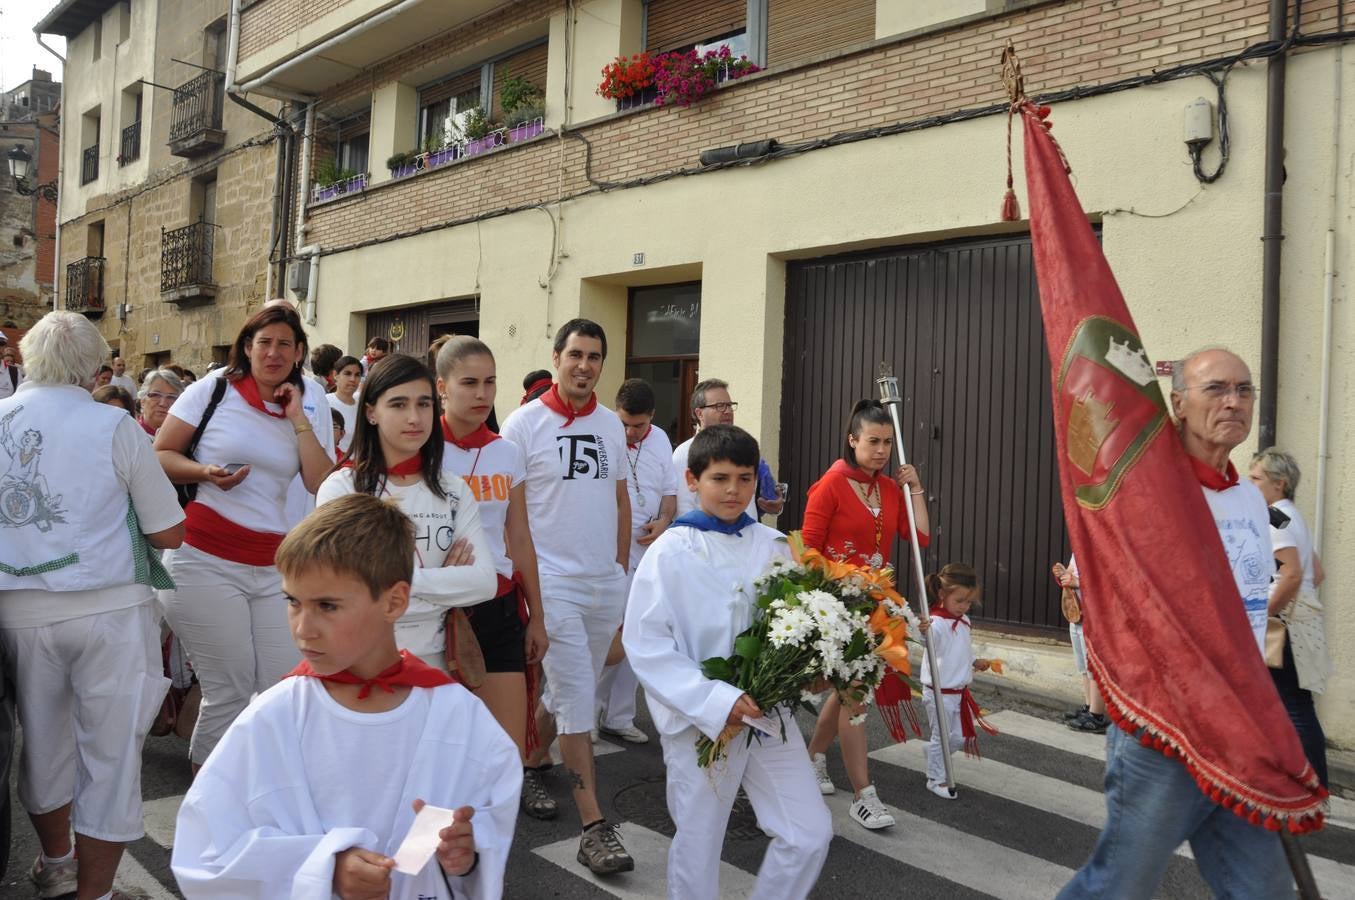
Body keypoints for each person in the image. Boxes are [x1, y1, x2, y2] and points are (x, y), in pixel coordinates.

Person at [171, 493, 521, 898]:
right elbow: (207, 849)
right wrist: (325, 867)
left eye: (327, 606)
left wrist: (468, 855)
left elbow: (485, 820)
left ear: (394, 601)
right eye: (292, 602)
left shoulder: (456, 717)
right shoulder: (273, 716)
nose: (304, 628)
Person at [1058, 347, 1290, 899]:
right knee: (1119, 886)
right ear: (1178, 403)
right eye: (1216, 389)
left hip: (1241, 730)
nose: (1233, 401)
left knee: (1264, 890)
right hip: (1167, 732)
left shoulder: (1249, 500)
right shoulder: (1146, 496)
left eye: (1244, 389)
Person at [0, 312, 185, 900]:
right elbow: (167, 533)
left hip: (18, 609)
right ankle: (95, 895)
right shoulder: (114, 424)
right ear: (91, 368)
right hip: (108, 607)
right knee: (109, 755)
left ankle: (57, 863)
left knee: (43, 744)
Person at [624, 424, 833, 899]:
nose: (734, 490)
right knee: (699, 843)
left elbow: (797, 620)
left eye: (744, 478)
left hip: (768, 712)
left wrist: (813, 665)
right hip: (704, 721)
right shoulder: (670, 553)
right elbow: (647, 646)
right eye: (720, 478)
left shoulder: (775, 547)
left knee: (808, 831)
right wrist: (715, 698)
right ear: (693, 480)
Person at [154, 304, 334, 768]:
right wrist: (205, 473)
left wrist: (297, 417)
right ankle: (209, 814)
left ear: (298, 353)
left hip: (274, 568)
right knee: (229, 691)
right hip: (204, 561)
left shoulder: (307, 399)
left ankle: (251, 799)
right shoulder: (211, 390)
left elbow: (320, 481)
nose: (273, 353)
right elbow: (160, 454)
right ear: (247, 347)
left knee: (278, 687)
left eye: (284, 345)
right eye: (264, 343)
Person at [500, 319, 635, 874]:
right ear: (556, 358)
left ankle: (530, 761)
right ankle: (593, 827)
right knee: (579, 695)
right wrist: (530, 593)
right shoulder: (523, 425)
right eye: (575, 354)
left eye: (594, 356)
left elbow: (621, 501)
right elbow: (514, 519)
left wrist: (620, 572)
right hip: (553, 584)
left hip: (604, 581)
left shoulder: (610, 424)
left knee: (576, 684)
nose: (584, 365)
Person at [316, 353, 497, 669]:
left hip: (438, 662)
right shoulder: (343, 488)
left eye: (424, 403)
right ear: (371, 412)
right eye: (399, 404)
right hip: (361, 660)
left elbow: (484, 583)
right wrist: (446, 581)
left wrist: (392, 580)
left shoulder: (454, 490)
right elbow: (346, 586)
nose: (414, 417)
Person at [800, 399, 930, 829]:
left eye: (887, 443)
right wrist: (840, 587)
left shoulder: (890, 490)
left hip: (875, 608)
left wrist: (915, 488)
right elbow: (808, 551)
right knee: (854, 696)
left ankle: (814, 757)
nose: (881, 450)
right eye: (872, 441)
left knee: (846, 691)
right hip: (837, 607)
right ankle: (863, 794)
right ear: (852, 439)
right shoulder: (830, 485)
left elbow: (922, 536)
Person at [435, 337, 549, 765]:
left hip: (499, 605)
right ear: (441, 386)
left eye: (490, 382)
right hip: (438, 609)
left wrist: (537, 617)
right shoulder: (420, 448)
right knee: (444, 751)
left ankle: (485, 830)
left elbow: (518, 538)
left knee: (506, 754)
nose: (482, 394)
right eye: (469, 383)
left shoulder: (507, 452)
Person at [596, 378, 678, 745]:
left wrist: (663, 523)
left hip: (646, 552)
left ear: (653, 418)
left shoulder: (660, 440)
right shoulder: (601, 433)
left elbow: (670, 495)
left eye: (638, 425)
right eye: (624, 423)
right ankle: (588, 713)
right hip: (607, 550)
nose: (630, 432)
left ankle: (619, 715)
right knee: (604, 635)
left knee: (637, 634)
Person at [1249, 448, 1331, 787]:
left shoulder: (1273, 516)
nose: (1248, 483)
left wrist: (1262, 615)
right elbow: (1318, 573)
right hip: (1301, 621)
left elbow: (1292, 575)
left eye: (1256, 478)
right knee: (1293, 704)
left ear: (1279, 484)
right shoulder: (1291, 516)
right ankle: (1304, 785)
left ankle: (1312, 790)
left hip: (1286, 625)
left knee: (1293, 707)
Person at [917, 563, 993, 800]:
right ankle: (936, 778)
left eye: (968, 602)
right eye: (959, 600)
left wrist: (974, 661)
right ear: (942, 595)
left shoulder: (965, 622)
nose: (964, 606)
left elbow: (961, 649)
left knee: (959, 738)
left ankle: (933, 753)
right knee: (942, 737)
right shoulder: (936, 624)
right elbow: (926, 641)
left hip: (959, 693)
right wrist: (922, 630)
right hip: (938, 692)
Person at [671, 379, 784, 519]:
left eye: (730, 405)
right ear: (699, 414)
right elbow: (684, 509)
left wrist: (775, 503)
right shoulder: (685, 452)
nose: (728, 411)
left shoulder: (743, 446)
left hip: (747, 534)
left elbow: (756, 496)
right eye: (719, 406)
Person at [1053, 556, 1109, 734]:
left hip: (1095, 615)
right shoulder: (1079, 546)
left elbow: (1107, 581)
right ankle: (1089, 706)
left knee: (1094, 667)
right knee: (1084, 667)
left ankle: (1097, 715)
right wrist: (1064, 573)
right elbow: (1072, 568)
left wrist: (1076, 581)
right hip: (1077, 612)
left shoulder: (1102, 546)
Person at [327, 354, 362, 455]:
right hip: (333, 466)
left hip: (358, 466)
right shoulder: (324, 402)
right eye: (347, 373)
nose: (353, 379)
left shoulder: (362, 405)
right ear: (335, 375)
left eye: (357, 375)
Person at [137, 368, 185, 437]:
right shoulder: (129, 436)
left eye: (171, 397)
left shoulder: (185, 439)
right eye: (155, 395)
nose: (163, 403)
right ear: (142, 401)